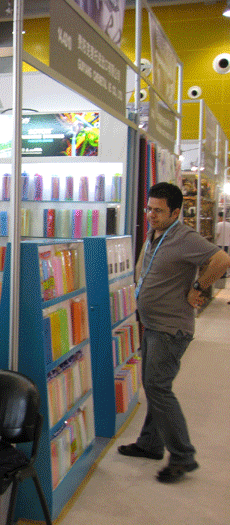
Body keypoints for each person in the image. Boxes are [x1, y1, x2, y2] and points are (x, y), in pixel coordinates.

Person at [118, 182, 230, 483]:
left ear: (176, 212)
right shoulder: (155, 234)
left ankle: (183, 456)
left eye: (158, 210)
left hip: (171, 329)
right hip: (153, 323)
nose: (151, 215)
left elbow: (222, 259)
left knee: (158, 387)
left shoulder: (184, 236)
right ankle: (150, 444)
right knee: (153, 384)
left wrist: (198, 287)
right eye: (149, 209)